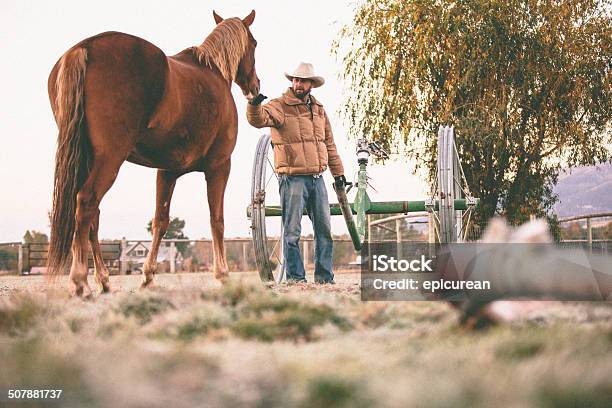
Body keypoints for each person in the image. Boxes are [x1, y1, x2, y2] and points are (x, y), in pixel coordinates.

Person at [246, 62, 346, 283]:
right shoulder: (279, 106)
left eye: (303, 80)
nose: (298, 84)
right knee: (292, 233)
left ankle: (324, 279)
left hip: (317, 178)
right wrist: (254, 104)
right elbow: (258, 119)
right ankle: (296, 279)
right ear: (292, 81)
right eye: (296, 79)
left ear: (311, 84)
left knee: (324, 233)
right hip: (293, 179)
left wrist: (338, 173)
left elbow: (329, 144)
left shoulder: (319, 110)